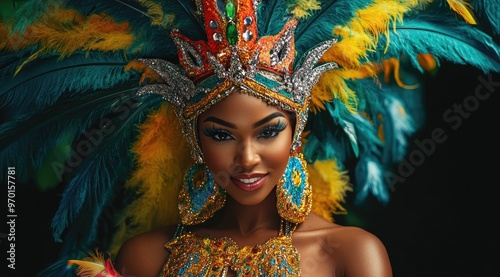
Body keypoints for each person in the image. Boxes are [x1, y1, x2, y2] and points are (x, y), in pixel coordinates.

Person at [0, 0, 499, 276]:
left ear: (296, 130)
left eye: (268, 131)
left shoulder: (351, 255)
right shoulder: (148, 257)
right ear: (194, 139)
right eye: (221, 134)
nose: (246, 158)